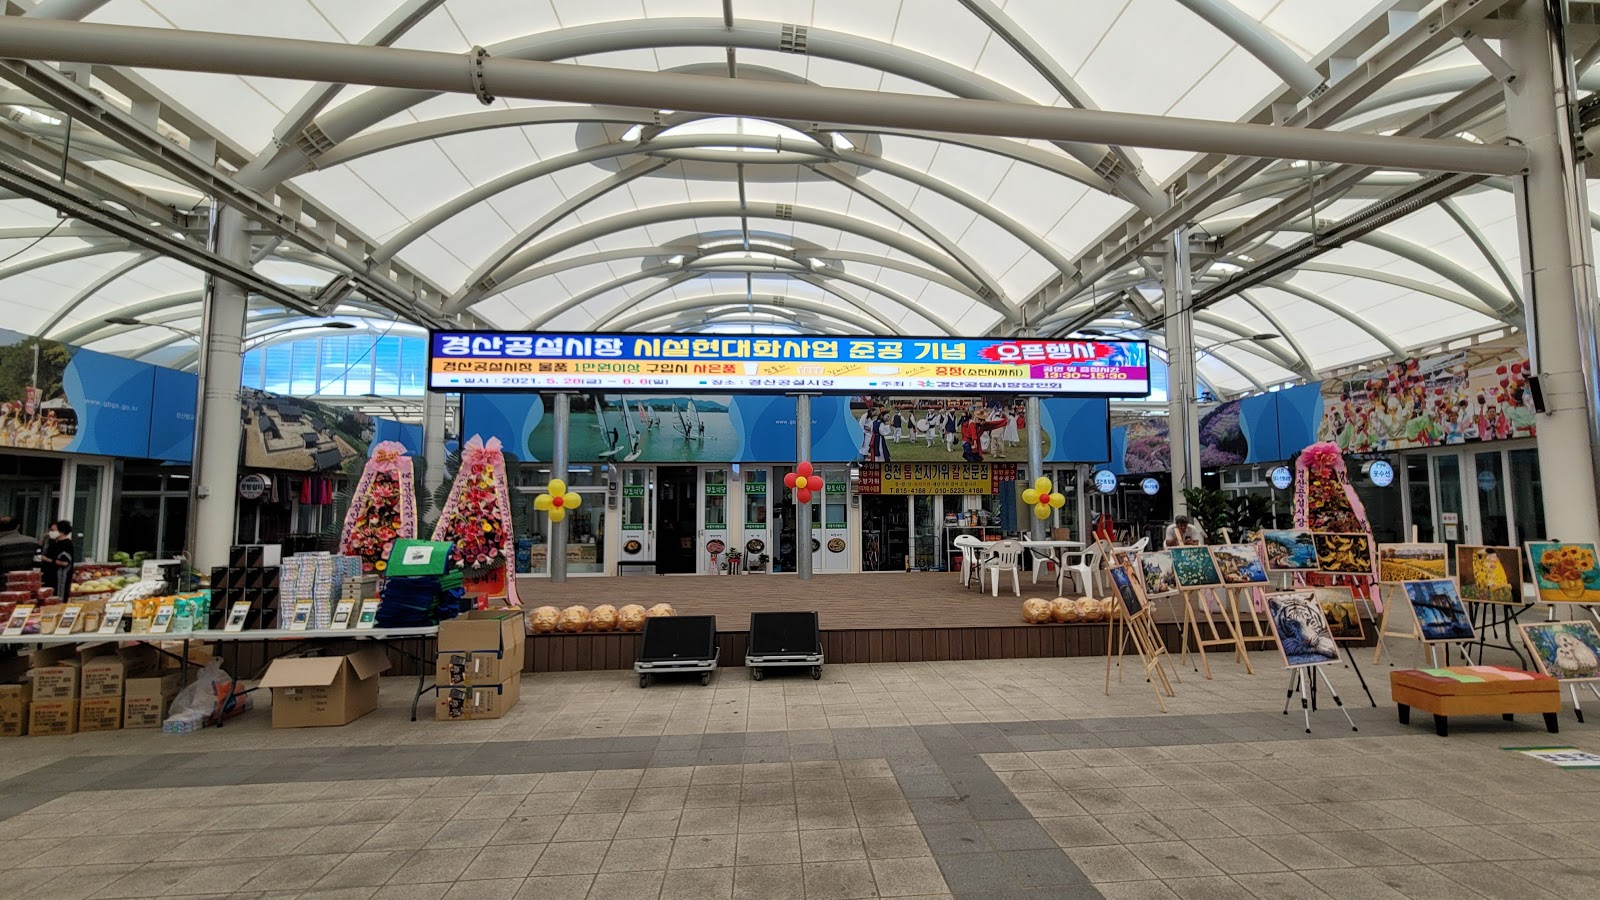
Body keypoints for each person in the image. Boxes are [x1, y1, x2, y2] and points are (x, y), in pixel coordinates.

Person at [40, 519, 74, 600]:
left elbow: (65, 563)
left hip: (60, 579)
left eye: (53, 530)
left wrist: (47, 559)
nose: (50, 532)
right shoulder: (54, 543)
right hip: (48, 576)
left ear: (61, 531)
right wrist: (43, 539)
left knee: (58, 599)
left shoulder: (66, 544)